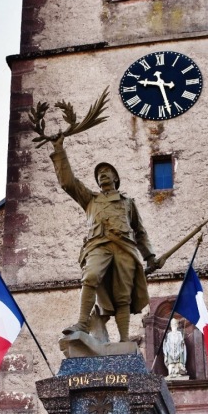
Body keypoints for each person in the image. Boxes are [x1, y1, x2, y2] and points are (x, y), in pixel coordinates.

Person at [50, 136, 162, 342]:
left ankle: (125, 340)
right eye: (99, 174)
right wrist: (59, 151)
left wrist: (150, 256)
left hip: (125, 248)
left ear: (115, 178)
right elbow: (68, 183)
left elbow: (140, 231)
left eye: (106, 172)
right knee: (90, 277)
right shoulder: (90, 199)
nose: (102, 175)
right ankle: (83, 323)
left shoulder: (128, 203)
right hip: (97, 245)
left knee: (123, 295)